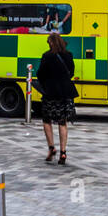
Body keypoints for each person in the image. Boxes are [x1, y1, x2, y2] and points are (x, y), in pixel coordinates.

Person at [36, 32, 77, 165]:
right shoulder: (68, 55)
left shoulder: (47, 56)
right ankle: (63, 152)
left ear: (51, 43)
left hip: (50, 92)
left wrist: (46, 84)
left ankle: (51, 148)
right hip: (65, 92)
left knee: (47, 120)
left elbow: (40, 74)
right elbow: (71, 72)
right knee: (62, 122)